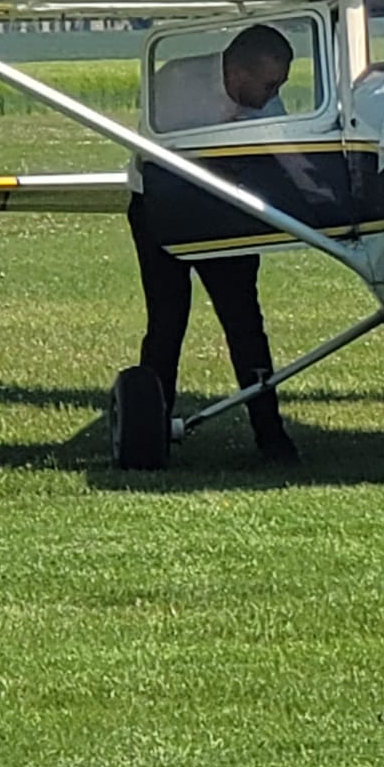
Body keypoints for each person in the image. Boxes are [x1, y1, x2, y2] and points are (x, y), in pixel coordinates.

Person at [127, 24, 299, 464]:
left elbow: (279, 158)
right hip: (161, 205)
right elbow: (167, 161)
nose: (273, 95)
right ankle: (150, 434)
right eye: (268, 85)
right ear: (238, 72)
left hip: (225, 211)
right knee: (167, 321)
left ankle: (271, 435)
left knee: (244, 322)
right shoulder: (175, 83)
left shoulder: (265, 103)